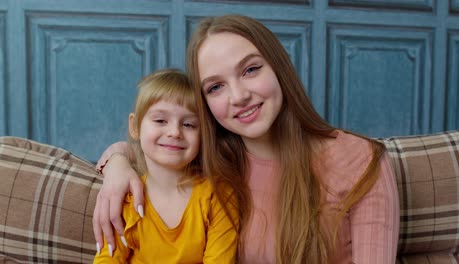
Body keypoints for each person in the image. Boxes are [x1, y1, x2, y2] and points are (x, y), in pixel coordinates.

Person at [93, 15, 399, 263]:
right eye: (215, 87)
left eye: (251, 69)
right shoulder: (214, 162)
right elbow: (153, 145)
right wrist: (118, 164)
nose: (238, 96)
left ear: (278, 67)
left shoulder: (361, 160)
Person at [93, 69, 238, 263]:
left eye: (189, 124)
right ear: (135, 126)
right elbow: (107, 259)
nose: (174, 132)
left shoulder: (218, 195)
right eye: (160, 120)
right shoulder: (126, 198)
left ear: (203, 135)